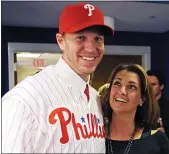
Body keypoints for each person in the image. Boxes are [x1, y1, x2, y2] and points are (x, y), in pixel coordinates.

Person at [2, 3, 114, 153]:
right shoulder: (23, 100)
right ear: (61, 41)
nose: (91, 48)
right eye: (80, 37)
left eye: (98, 39)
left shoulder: (94, 97)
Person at [101, 63, 169, 154]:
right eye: (117, 83)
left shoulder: (157, 140)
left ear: (142, 99)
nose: (122, 91)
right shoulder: (92, 136)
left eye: (131, 87)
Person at [147, 70, 169, 138]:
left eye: (153, 84)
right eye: (147, 85)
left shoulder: (167, 107)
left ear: (161, 86)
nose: (149, 88)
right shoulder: (139, 107)